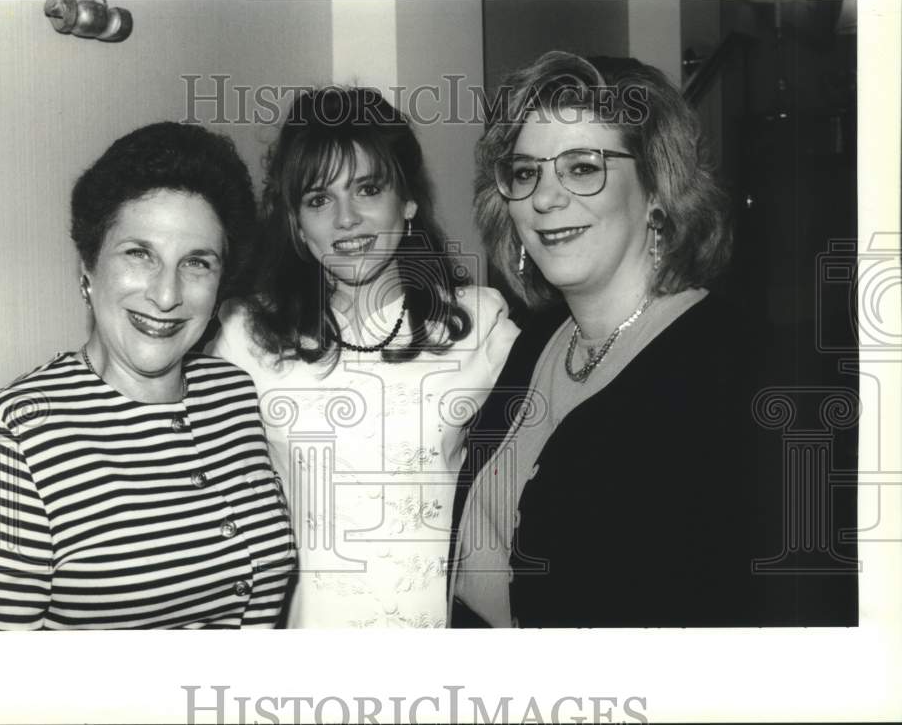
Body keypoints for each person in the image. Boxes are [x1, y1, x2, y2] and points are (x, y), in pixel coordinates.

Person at [450, 50, 789, 627]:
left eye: (582, 167)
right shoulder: (533, 345)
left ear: (658, 189)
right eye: (526, 171)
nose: (545, 197)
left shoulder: (736, 373)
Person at [0, 122, 295, 629]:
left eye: (197, 262)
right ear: (88, 267)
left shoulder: (234, 394)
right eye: (140, 254)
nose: (166, 295)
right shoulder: (12, 436)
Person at [209, 86, 519, 628]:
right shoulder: (247, 339)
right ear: (297, 225)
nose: (346, 219)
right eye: (319, 199)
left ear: (408, 200)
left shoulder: (479, 324)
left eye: (368, 189)